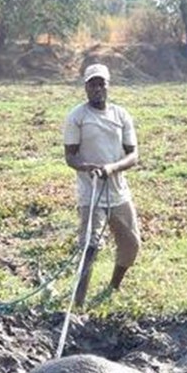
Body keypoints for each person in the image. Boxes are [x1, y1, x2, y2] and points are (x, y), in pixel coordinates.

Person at [63, 62, 141, 307]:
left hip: (118, 191)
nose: (97, 88)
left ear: (108, 85)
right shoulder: (77, 117)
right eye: (92, 84)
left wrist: (112, 168)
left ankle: (113, 287)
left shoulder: (121, 115)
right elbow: (70, 156)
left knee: (131, 244)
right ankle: (78, 302)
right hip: (91, 192)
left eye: (101, 83)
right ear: (85, 87)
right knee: (90, 246)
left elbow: (133, 155)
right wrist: (88, 168)